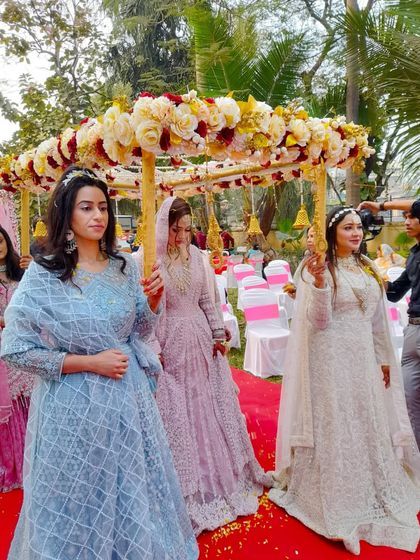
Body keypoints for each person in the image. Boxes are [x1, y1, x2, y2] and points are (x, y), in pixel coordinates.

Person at [1, 167, 198, 560]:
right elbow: (15, 349)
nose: (98, 216)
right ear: (66, 216)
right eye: (86, 207)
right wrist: (87, 362)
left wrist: (154, 303)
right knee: (79, 495)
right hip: (72, 411)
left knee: (129, 491)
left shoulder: (121, 266)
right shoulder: (46, 274)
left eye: (103, 208)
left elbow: (138, 329)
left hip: (128, 403)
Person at [268, 206, 420, 554]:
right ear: (331, 232)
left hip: (362, 359)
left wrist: (382, 357)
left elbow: (377, 320)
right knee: (336, 422)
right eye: (348, 227)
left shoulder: (366, 268)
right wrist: (320, 284)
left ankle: (370, 484)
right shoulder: (315, 269)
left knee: (365, 420)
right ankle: (334, 493)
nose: (356, 233)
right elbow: (318, 322)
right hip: (330, 361)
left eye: (358, 227)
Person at [143, 196, 273, 535]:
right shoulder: (149, 260)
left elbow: (207, 301)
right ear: (163, 227)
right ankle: (186, 489)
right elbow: (149, 311)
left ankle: (220, 479)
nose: (182, 236)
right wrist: (154, 346)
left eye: (187, 229)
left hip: (201, 342)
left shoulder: (199, 258)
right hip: (170, 342)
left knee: (208, 407)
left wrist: (219, 333)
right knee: (177, 410)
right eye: (176, 230)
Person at [359, 199, 420, 448]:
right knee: (408, 400)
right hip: (413, 331)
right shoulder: (414, 255)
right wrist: (372, 276)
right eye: (405, 217)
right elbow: (394, 292)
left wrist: (381, 206)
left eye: (412, 217)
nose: (407, 222)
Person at [0, 226, 33, 492]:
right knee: (7, 403)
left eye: (1, 240)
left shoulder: (21, 271)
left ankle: (30, 459)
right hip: (2, 344)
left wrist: (34, 269)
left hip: (22, 344)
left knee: (25, 401)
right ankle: (10, 464)